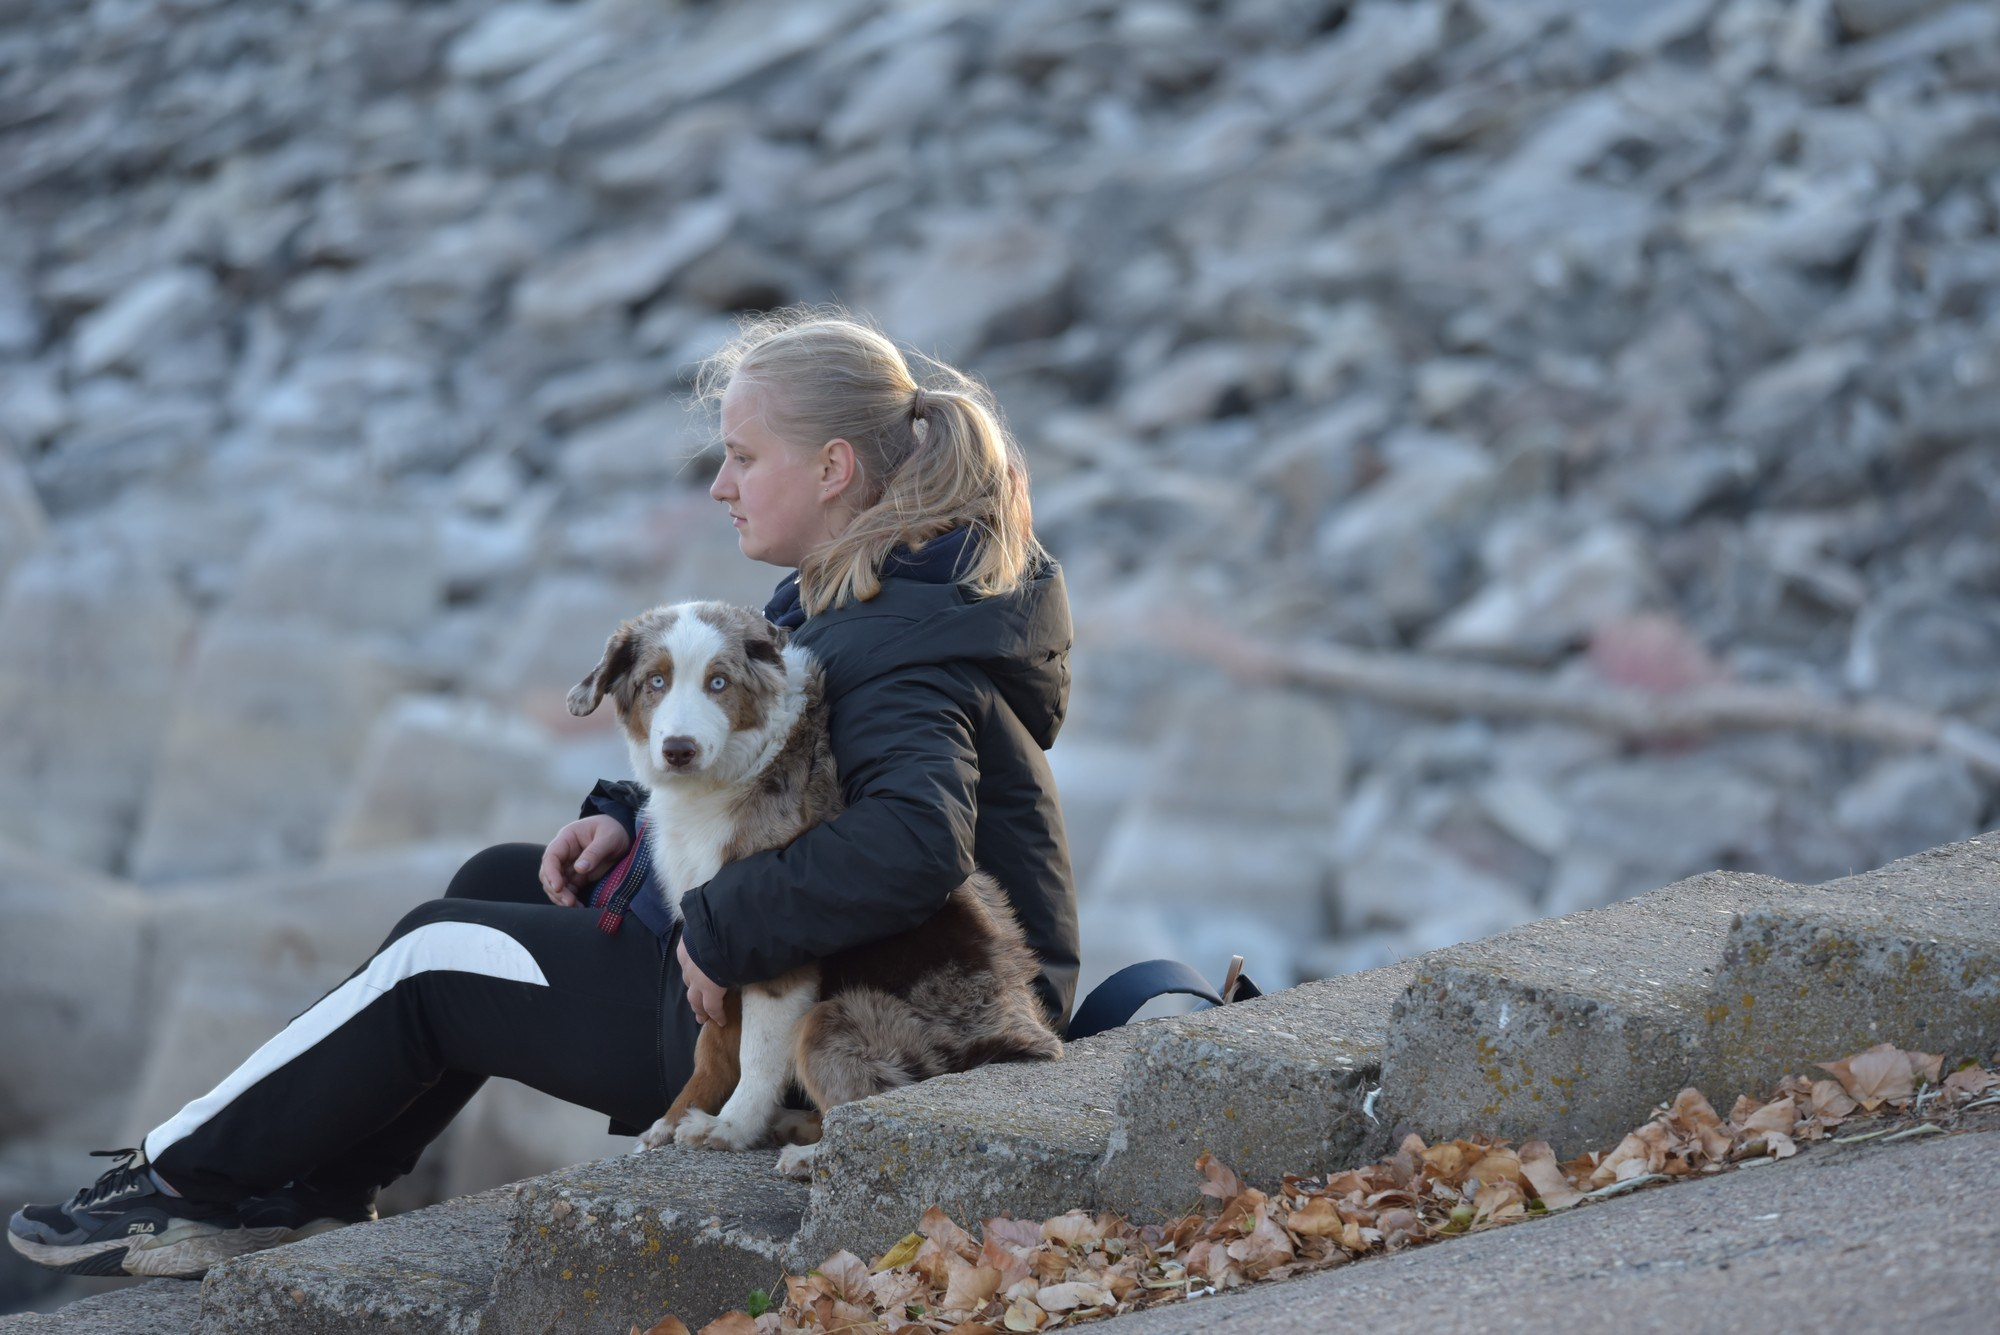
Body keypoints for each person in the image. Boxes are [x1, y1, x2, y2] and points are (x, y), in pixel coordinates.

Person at [7, 308, 1081, 1281]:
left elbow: (912, 844)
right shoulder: (871, 597)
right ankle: (315, 1191)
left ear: (835, 467)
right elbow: (770, 753)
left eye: (743, 457)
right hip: (804, 973)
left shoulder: (902, 647)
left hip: (850, 1025)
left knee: (436, 957)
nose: (720, 484)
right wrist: (621, 814)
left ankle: (181, 1185)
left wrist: (714, 925)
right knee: (495, 881)